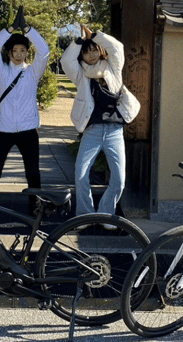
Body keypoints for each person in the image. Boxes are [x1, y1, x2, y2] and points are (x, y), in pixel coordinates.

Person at [60, 24, 140, 218]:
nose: (92, 55)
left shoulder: (114, 69)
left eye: (94, 49)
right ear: (82, 56)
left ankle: (106, 214)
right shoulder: (81, 76)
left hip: (114, 132)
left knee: (119, 179)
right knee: (80, 175)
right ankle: (85, 215)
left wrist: (95, 36)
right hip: (92, 131)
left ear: (100, 49)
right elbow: (66, 60)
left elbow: (117, 48)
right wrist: (80, 41)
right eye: (86, 53)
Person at [0, 7, 50, 220]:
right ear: (9, 52)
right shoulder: (0, 71)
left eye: (23, 50)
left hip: (27, 129)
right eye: (16, 50)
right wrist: (10, 29)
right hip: (2, 129)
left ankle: (35, 205)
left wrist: (28, 30)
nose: (19, 54)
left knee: (33, 173)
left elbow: (44, 50)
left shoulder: (32, 72)